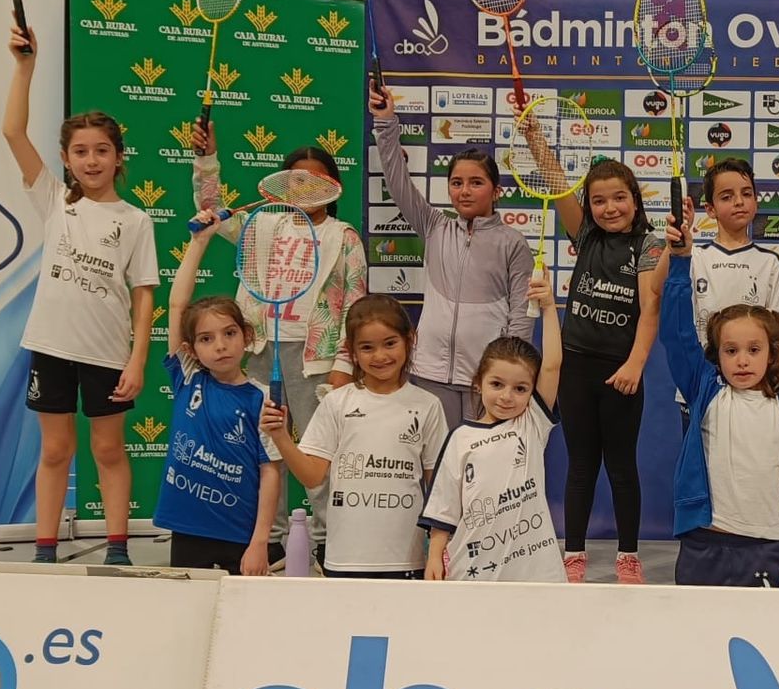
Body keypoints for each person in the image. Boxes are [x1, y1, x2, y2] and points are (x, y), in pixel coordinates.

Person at [1, 27, 156, 566]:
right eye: (81, 152)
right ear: (66, 159)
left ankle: (117, 550)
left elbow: (144, 296)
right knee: (55, 449)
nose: (92, 161)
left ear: (119, 157)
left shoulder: (135, 220)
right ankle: (45, 551)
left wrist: (137, 359)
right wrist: (25, 66)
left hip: (108, 354)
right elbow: (12, 131)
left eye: (102, 151)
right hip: (51, 346)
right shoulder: (55, 203)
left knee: (108, 449)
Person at [190, 126, 367, 551]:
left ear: (333, 186)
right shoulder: (261, 225)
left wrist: (344, 365)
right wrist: (206, 159)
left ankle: (326, 540)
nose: (305, 189)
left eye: (315, 180)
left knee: (318, 450)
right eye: (296, 180)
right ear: (283, 186)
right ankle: (269, 538)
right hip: (260, 350)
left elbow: (355, 308)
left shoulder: (343, 236)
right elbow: (211, 208)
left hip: (314, 358)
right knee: (265, 447)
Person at [518, 105, 664, 584]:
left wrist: (636, 364)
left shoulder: (649, 244)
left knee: (621, 467)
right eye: (599, 201)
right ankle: (574, 553)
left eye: (619, 198)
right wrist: (534, 137)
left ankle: (628, 555)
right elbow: (557, 181)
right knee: (581, 465)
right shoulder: (584, 233)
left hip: (621, 370)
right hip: (577, 369)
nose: (609, 208)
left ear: (635, 200)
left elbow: (650, 308)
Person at [659, 204, 779, 589]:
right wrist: (680, 261)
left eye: (753, 350)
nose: (742, 360)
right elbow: (677, 333)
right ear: (717, 355)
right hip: (704, 544)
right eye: (731, 351)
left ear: (772, 353)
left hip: (769, 547)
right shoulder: (705, 390)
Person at [367, 80, 533, 429]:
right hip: (430, 373)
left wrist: (509, 374)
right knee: (435, 457)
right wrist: (385, 123)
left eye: (476, 183)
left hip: (485, 379)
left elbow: (520, 315)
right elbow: (398, 182)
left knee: (482, 459)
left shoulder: (513, 242)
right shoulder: (435, 226)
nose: (464, 191)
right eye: (457, 183)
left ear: (496, 191)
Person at [261, 296, 447, 580]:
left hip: (406, 560)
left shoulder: (428, 405)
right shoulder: (337, 402)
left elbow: (439, 489)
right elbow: (312, 477)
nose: (380, 356)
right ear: (352, 353)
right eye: (367, 347)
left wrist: (436, 551)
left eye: (390, 343)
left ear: (410, 340)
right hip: (343, 559)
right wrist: (281, 436)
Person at [419, 273, 566, 583]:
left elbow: (552, 364)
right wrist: (434, 556)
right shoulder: (460, 438)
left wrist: (549, 307)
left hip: (534, 572)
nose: (507, 396)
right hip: (473, 571)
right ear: (478, 383)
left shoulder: (531, 424)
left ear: (531, 392)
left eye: (520, 389)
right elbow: (444, 506)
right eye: (497, 384)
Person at [157, 212, 282, 574]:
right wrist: (199, 242)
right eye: (206, 339)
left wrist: (260, 542)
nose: (221, 346)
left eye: (229, 333)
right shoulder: (189, 377)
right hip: (188, 528)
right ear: (191, 349)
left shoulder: (262, 399)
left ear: (247, 336)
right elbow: (177, 306)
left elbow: (270, 473)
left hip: (241, 536)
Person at [673, 157, 779, 433]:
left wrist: (763, 367)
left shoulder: (769, 262)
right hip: (700, 386)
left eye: (746, 194)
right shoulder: (694, 256)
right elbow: (661, 293)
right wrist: (677, 247)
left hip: (753, 387)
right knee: (701, 459)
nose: (739, 202)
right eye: (727, 196)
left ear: (756, 201)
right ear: (710, 209)